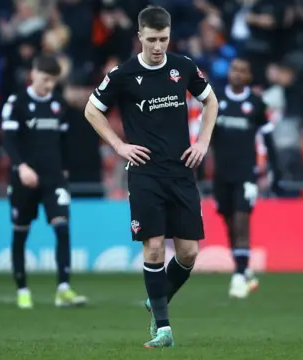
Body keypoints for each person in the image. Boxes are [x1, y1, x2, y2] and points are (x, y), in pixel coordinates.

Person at [84, 5, 219, 348]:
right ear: (140, 36)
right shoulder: (122, 74)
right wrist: (118, 145)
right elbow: (91, 109)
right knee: (154, 247)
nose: (158, 46)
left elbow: (211, 102)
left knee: (188, 252)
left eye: (164, 39)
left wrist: (202, 141)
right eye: (152, 39)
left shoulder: (183, 67)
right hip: (145, 172)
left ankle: (156, 298)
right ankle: (163, 328)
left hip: (180, 170)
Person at [1, 55, 87, 309]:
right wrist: (21, 167)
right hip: (24, 179)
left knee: (62, 226)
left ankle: (63, 288)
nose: (49, 85)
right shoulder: (16, 102)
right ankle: (22, 289)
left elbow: (62, 143)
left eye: (53, 81)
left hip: (53, 178)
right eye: (46, 79)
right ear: (33, 73)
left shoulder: (59, 105)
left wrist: (65, 169)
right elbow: (8, 140)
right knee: (20, 232)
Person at [212, 58, 280, 298]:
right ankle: (244, 267)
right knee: (229, 223)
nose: (237, 74)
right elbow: (205, 137)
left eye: (242, 71)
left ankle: (239, 276)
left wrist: (276, 171)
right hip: (221, 175)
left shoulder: (257, 104)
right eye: (234, 69)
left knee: (242, 219)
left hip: (246, 174)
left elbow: (269, 140)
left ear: (249, 76)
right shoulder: (216, 100)